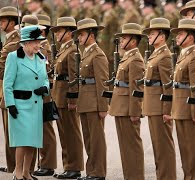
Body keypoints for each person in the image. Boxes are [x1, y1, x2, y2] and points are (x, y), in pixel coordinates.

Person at [3, 25, 49, 180]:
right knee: (22, 140)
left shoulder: (41, 58)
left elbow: (46, 80)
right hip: (20, 105)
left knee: (32, 141)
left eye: (39, 41)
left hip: (36, 105)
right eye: (35, 41)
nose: (38, 45)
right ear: (26, 42)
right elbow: (7, 84)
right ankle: (17, 171)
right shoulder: (13, 57)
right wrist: (10, 104)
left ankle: (26, 173)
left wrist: (45, 88)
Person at [108, 23, 145, 180]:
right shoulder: (128, 57)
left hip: (128, 110)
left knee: (132, 147)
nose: (121, 40)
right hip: (121, 107)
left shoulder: (135, 59)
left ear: (133, 41)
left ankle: (136, 176)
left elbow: (136, 89)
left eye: (124, 38)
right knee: (125, 148)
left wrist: (135, 112)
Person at [170, 18, 195, 180]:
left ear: (190, 37)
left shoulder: (194, 56)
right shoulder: (183, 55)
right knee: (185, 149)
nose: (177, 37)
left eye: (181, 34)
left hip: (188, 109)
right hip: (179, 107)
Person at [74, 18, 109, 180]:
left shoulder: (97, 55)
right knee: (89, 140)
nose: (79, 38)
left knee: (96, 141)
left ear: (91, 35)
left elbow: (102, 82)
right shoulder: (86, 52)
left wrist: (103, 106)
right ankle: (91, 171)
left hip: (94, 103)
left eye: (81, 35)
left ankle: (99, 172)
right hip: (85, 102)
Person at [141, 18, 176, 180]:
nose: (149, 37)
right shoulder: (157, 54)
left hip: (160, 107)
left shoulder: (165, 56)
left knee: (163, 147)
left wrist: (167, 110)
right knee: (157, 147)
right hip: (153, 106)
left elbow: (167, 86)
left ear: (162, 36)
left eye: (152, 34)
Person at [50, 17, 84, 179]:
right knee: (64, 133)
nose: (56, 33)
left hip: (66, 98)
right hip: (58, 96)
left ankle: (75, 167)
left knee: (71, 133)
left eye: (59, 30)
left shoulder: (72, 51)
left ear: (69, 32)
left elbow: (74, 77)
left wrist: (73, 100)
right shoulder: (63, 49)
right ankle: (68, 166)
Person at [0, 6, 20, 174]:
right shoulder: (9, 39)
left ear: (12, 22)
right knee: (8, 131)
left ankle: (17, 165)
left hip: (11, 90)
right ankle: (12, 165)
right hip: (4, 90)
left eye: (3, 20)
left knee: (13, 131)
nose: (1, 23)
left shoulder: (15, 42)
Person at [33, 14, 58, 177]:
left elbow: (45, 71)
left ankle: (48, 164)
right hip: (41, 91)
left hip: (44, 92)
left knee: (45, 129)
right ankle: (43, 162)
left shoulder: (43, 47)